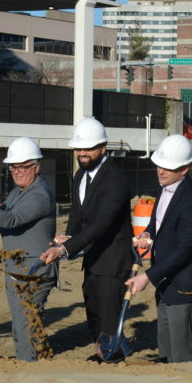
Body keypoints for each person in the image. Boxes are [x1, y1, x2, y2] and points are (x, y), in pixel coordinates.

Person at [40, 117, 133, 347]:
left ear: (103, 148)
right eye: (79, 148)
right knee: (94, 312)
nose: (82, 153)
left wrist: (65, 249)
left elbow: (101, 223)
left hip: (112, 262)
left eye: (88, 148)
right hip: (92, 260)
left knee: (109, 319)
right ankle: (101, 352)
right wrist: (68, 236)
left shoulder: (116, 179)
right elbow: (77, 214)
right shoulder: (80, 176)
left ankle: (111, 357)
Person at [0, 137, 56, 361]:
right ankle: (28, 362)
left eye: (22, 167)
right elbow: (2, 214)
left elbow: (11, 219)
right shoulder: (19, 191)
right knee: (20, 323)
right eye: (13, 167)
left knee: (25, 324)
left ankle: (28, 368)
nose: (17, 171)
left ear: (36, 167)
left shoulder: (39, 194)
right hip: (18, 268)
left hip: (34, 270)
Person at [125, 134, 192, 363]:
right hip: (165, 281)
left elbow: (184, 250)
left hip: (184, 285)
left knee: (182, 354)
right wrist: (148, 233)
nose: (161, 171)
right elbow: (158, 222)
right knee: (165, 348)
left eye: (168, 167)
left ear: (185, 169)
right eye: (159, 165)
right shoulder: (164, 187)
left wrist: (147, 277)